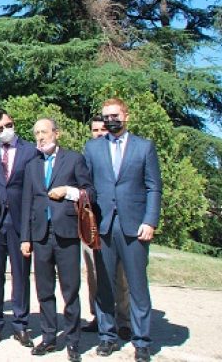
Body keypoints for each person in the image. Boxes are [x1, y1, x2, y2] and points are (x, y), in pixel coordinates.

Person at [84, 98, 162, 362]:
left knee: (137, 286)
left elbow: (154, 187)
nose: (110, 120)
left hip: (135, 227)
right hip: (103, 226)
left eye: (115, 115)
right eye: (106, 116)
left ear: (126, 116)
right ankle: (107, 336)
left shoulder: (144, 147)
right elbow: (89, 186)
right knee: (104, 285)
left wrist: (150, 221)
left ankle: (141, 341)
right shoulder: (92, 148)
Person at [21, 118, 94, 362]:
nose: (40, 137)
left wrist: (68, 192)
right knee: (44, 290)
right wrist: (25, 238)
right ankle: (49, 337)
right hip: (40, 234)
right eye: (36, 133)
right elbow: (27, 203)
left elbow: (90, 192)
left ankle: (73, 342)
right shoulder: (32, 165)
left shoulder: (74, 159)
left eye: (44, 132)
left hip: (66, 233)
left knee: (70, 290)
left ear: (56, 133)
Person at [0, 108, 37, 347]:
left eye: (8, 125)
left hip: (19, 221)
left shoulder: (30, 151)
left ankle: (21, 324)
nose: (5, 131)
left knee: (20, 274)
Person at [82, 116, 131, 340]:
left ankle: (124, 320)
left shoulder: (117, 154)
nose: (99, 133)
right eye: (95, 130)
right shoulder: (89, 155)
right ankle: (99, 316)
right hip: (93, 225)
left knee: (121, 276)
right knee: (94, 274)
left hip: (118, 223)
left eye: (102, 129)